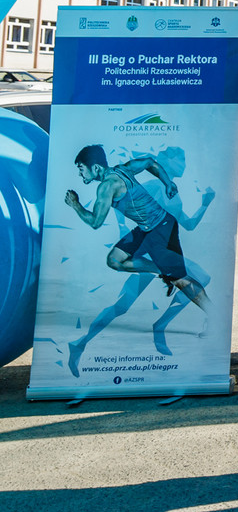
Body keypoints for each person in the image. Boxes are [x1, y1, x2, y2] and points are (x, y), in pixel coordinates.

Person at [61, 146, 211, 376]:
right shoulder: (122, 170)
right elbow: (149, 161)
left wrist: (75, 205)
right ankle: (162, 272)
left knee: (182, 280)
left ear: (96, 167)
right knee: (115, 260)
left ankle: (214, 316)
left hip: (161, 230)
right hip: (145, 230)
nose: (80, 174)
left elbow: (95, 222)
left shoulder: (106, 186)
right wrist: (167, 182)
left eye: (81, 169)